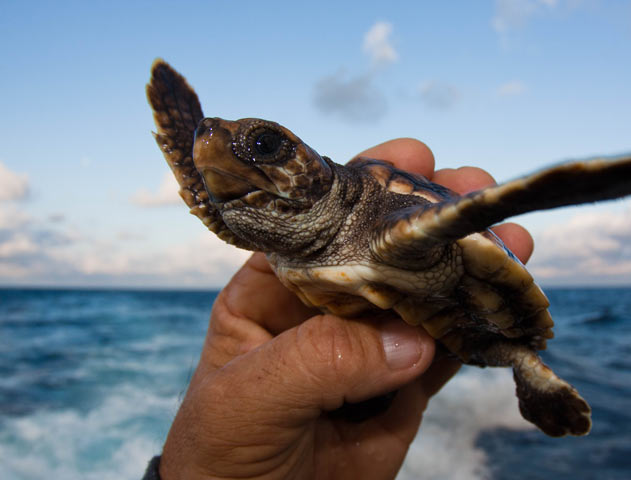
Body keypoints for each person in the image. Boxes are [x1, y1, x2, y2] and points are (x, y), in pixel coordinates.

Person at [144, 138, 534, 480]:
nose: (216, 148)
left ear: (315, 169)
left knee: (507, 339)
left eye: (265, 146)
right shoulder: (266, 231)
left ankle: (530, 367)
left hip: (460, 298)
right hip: (395, 354)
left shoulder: (377, 218)